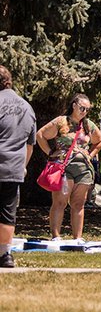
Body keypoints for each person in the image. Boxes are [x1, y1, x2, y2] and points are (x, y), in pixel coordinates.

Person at [35, 92, 101, 243]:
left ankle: (77, 238)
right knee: (60, 202)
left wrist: (90, 155)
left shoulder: (89, 125)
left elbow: (99, 141)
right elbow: (40, 135)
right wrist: (50, 152)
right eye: (82, 108)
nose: (84, 111)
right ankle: (56, 235)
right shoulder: (61, 121)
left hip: (83, 169)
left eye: (87, 109)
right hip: (63, 167)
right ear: (74, 106)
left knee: (79, 203)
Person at [0, 64, 37, 269]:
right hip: (14, 167)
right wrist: (22, 166)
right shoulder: (26, 107)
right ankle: (5, 254)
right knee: (7, 211)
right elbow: (29, 145)